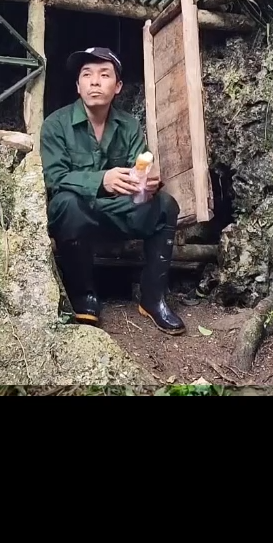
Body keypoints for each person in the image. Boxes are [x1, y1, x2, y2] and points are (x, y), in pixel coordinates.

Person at [40, 46, 185, 335]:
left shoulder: (129, 126)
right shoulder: (55, 125)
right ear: (77, 86)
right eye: (87, 75)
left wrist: (147, 183)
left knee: (166, 205)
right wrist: (101, 180)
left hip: (118, 212)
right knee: (66, 203)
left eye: (104, 75)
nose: (95, 81)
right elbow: (53, 178)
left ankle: (153, 298)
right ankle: (84, 296)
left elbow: (138, 172)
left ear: (117, 86)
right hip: (78, 214)